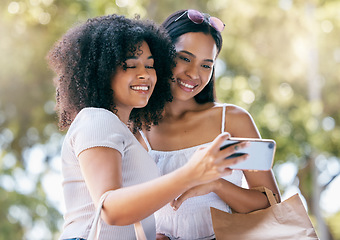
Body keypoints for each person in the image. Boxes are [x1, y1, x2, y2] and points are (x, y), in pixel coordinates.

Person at [46, 14, 249, 240]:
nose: (144, 74)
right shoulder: (96, 119)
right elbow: (110, 209)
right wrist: (191, 173)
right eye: (130, 65)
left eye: (150, 65)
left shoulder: (123, 130)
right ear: (102, 70)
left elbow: (129, 212)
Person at [136, 9, 282, 240]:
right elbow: (118, 208)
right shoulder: (136, 129)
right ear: (162, 53)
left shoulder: (232, 120)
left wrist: (216, 184)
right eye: (184, 58)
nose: (193, 74)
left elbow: (271, 204)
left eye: (206, 65)